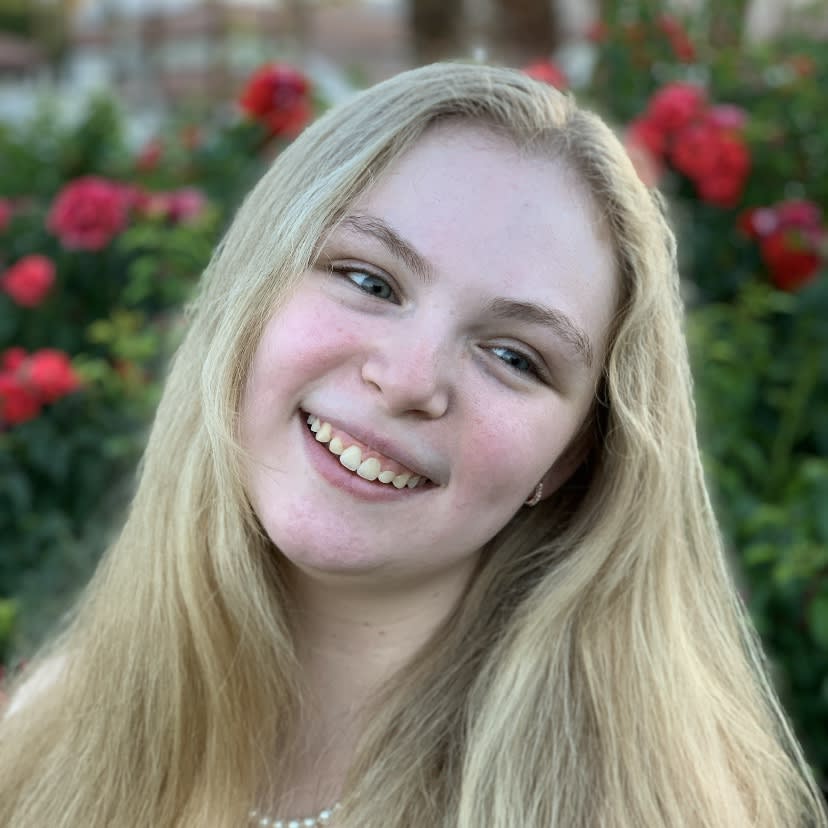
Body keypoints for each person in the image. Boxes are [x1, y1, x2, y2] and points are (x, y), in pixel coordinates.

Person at [0, 62, 824, 828]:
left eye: (514, 356)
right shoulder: (48, 738)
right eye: (369, 280)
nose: (407, 380)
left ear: (573, 457)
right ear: (253, 292)